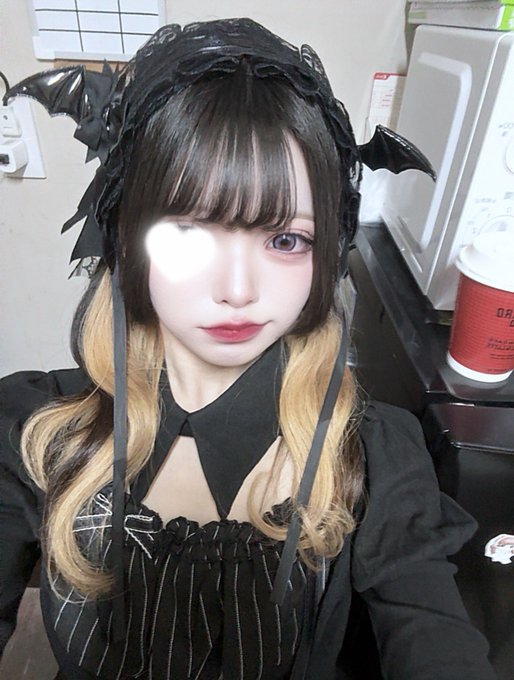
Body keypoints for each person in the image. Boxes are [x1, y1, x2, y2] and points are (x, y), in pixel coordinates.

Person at [0, 18, 496, 680]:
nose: (238, 290)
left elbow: (431, 630)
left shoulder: (372, 455)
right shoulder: (34, 429)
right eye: (188, 235)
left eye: (286, 240)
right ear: (124, 242)